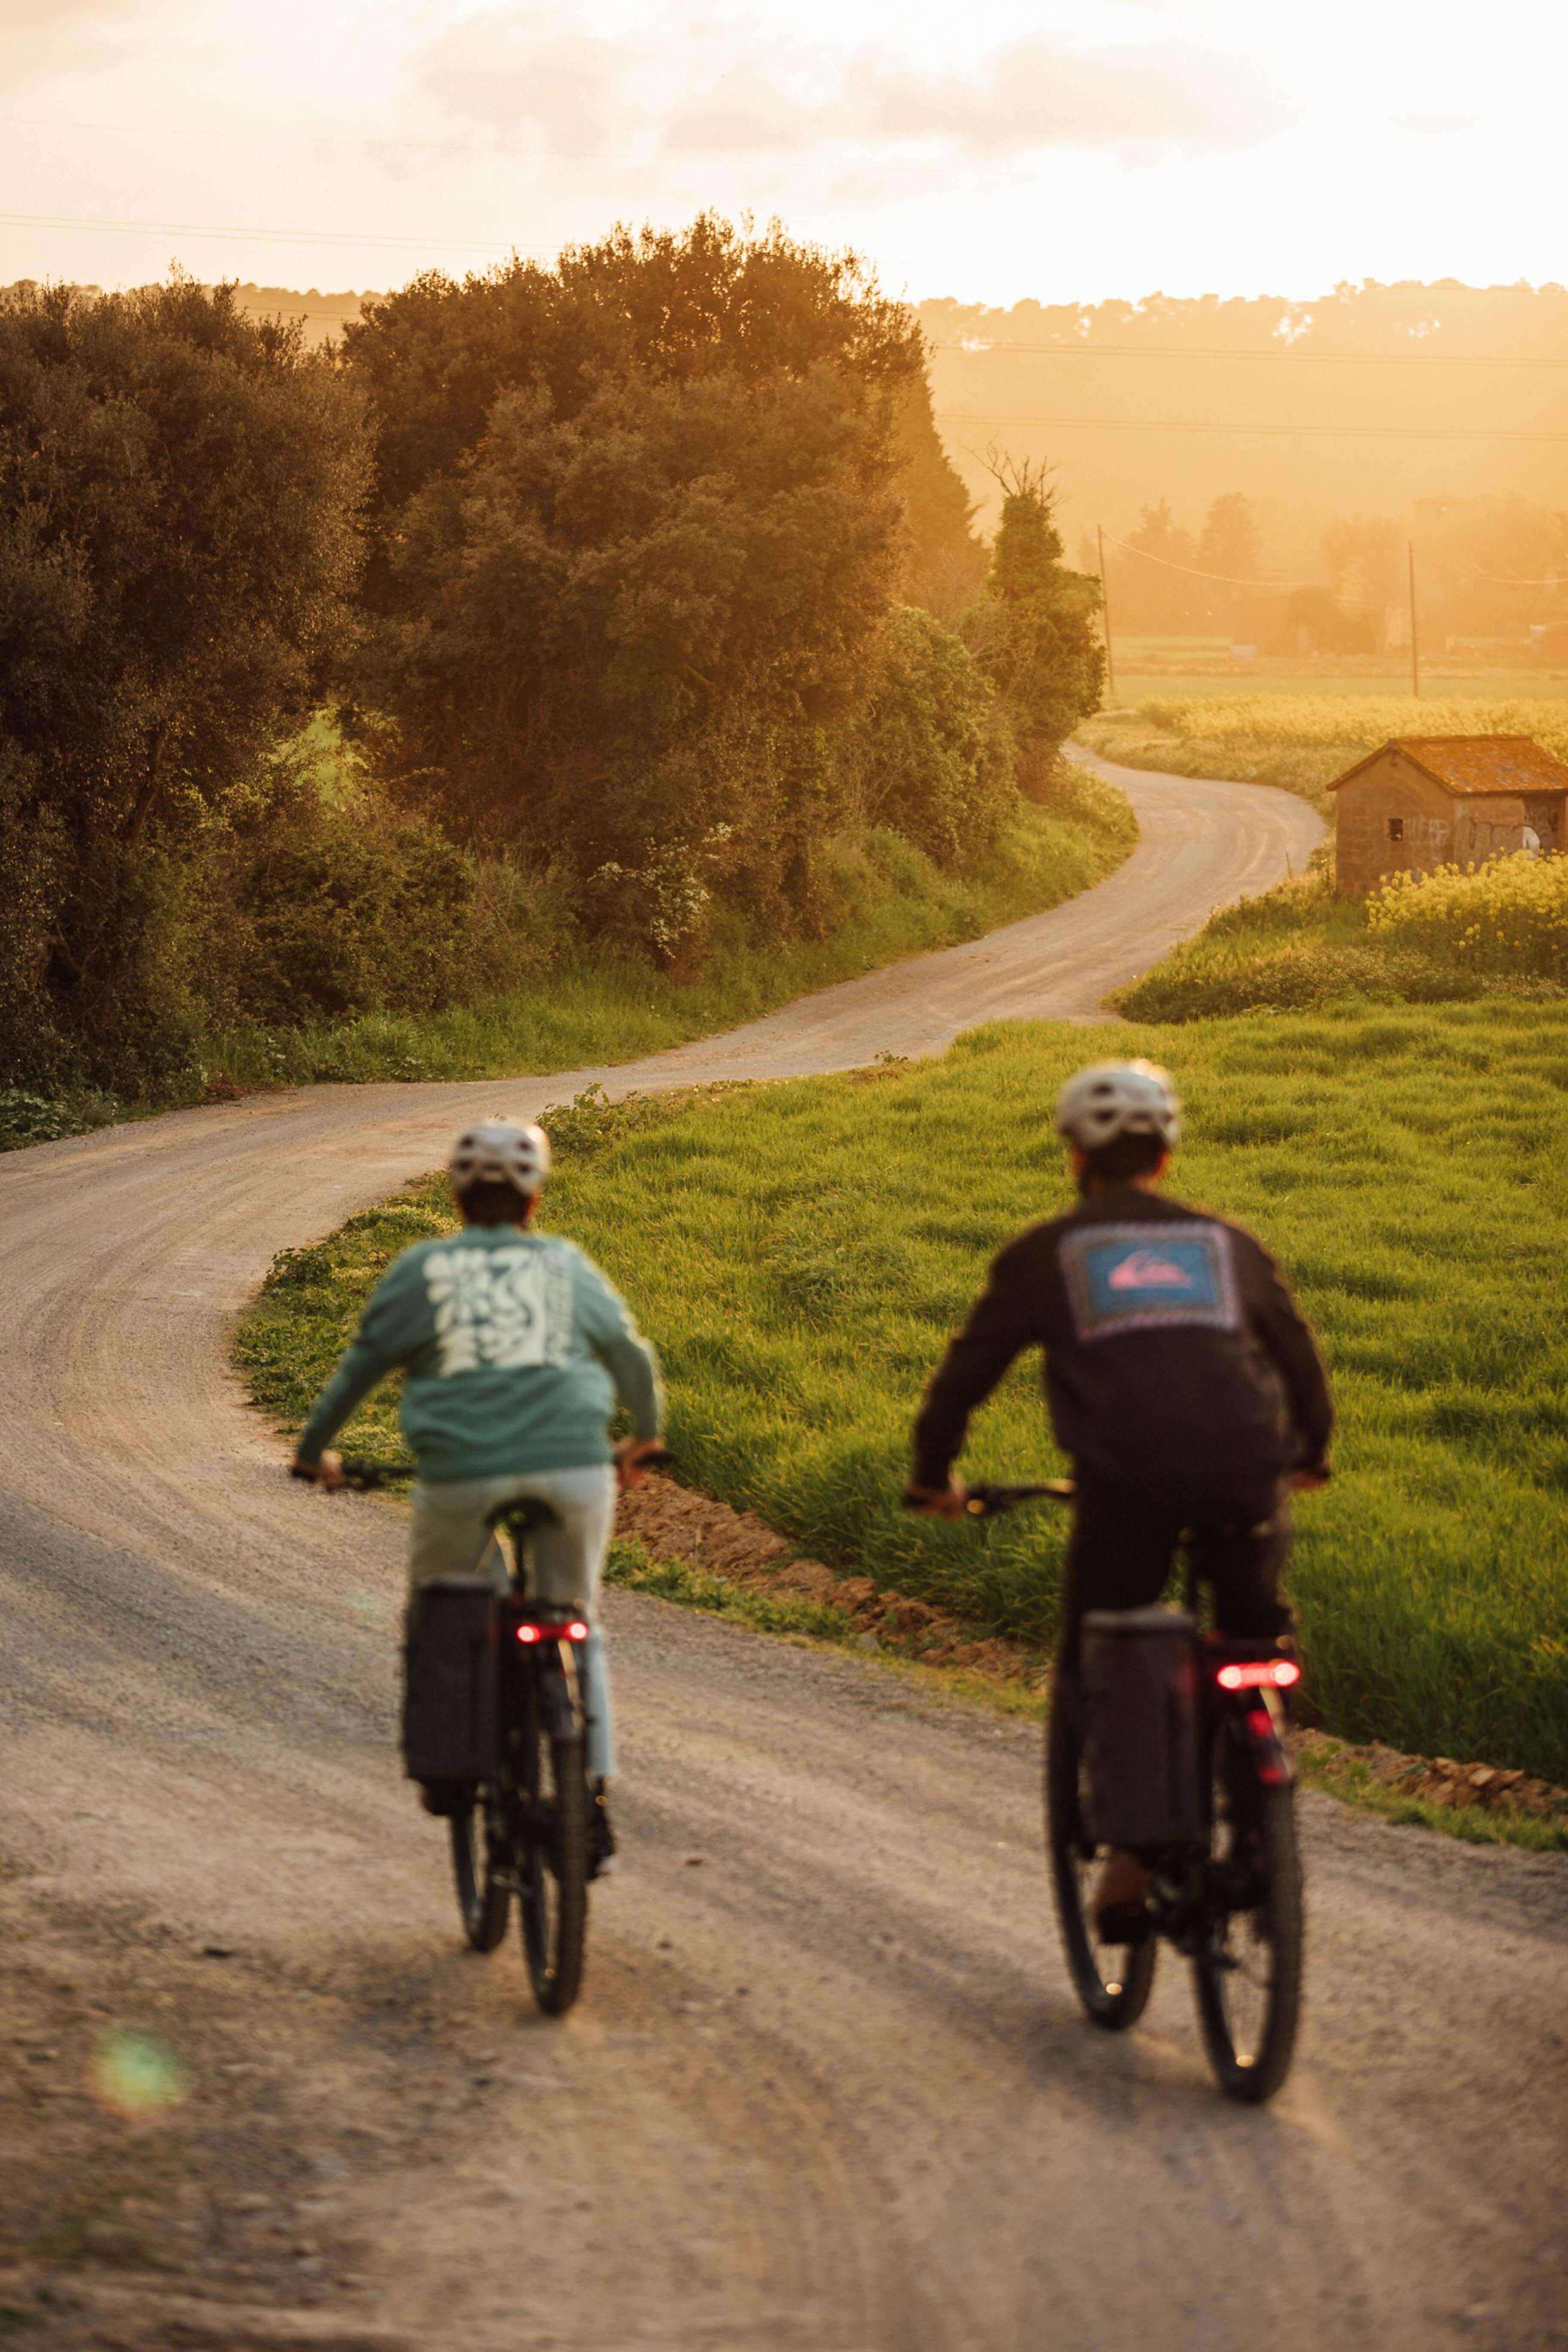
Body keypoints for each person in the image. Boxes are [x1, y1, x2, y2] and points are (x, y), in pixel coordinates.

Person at [905, 1059, 1332, 1938]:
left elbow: (961, 1381)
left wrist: (931, 1476)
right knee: (1252, 1634)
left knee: (1107, 1650)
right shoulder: (1225, 1245)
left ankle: (1132, 1863)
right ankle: (1258, 1786)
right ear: (1163, 1157)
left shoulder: (1044, 1256)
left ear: (1074, 1156)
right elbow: (1298, 1360)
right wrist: (1309, 1453)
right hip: (1247, 1472)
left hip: (1125, 1488)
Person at [291, 1118, 665, 1872]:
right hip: (574, 1472)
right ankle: (589, 1803)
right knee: (576, 1621)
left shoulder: (420, 1271)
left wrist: (311, 1453)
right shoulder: (566, 1266)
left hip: (459, 1477)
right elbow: (630, 1355)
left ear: (457, 1196)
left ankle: (455, 1768)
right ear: (534, 1199)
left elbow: (357, 1371)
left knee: (445, 1606)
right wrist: (642, 1441)